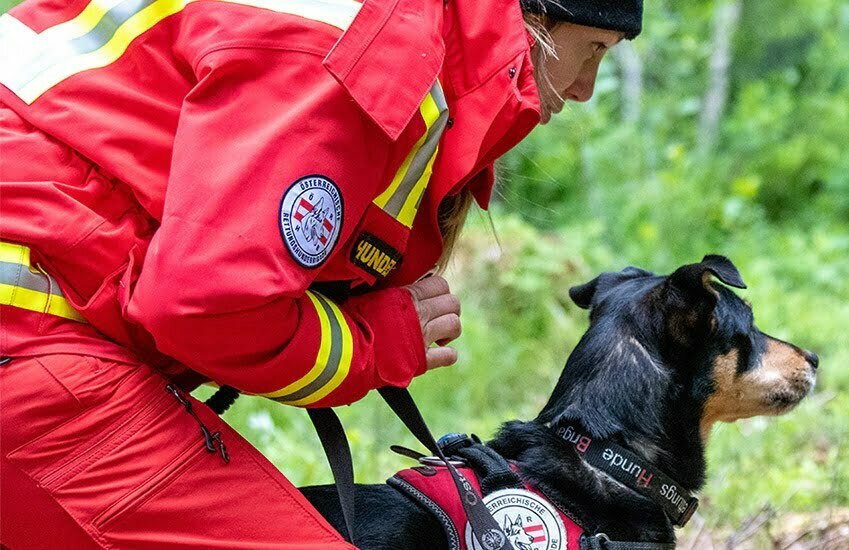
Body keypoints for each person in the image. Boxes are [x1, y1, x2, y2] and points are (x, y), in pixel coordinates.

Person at [0, 0, 641, 546]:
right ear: (531, 18)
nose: (585, 86)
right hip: (29, 334)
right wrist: (375, 341)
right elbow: (202, 304)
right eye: (592, 48)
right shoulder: (372, 49)